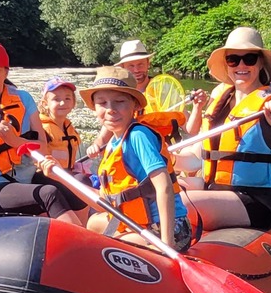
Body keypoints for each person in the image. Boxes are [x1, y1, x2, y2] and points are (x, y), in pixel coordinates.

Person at [183, 27, 271, 231]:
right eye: (233, 59)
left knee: (178, 204)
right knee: (158, 192)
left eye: (249, 59)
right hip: (215, 187)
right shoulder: (220, 102)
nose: (241, 65)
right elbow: (197, 156)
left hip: (254, 200)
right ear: (226, 64)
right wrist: (166, 160)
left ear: (260, 62)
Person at [0, 40, 80, 220]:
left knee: (78, 183)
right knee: (49, 193)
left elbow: (42, 148)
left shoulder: (23, 99)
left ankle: (92, 239)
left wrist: (14, 141)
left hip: (29, 178)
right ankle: (79, 244)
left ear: (5, 72)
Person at [79, 66, 194, 251]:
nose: (110, 110)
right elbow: (106, 199)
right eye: (102, 103)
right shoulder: (114, 141)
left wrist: (166, 244)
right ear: (94, 107)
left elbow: (164, 187)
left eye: (119, 102)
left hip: (167, 230)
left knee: (104, 250)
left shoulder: (138, 136)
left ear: (136, 106)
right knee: (93, 222)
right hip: (136, 223)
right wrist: (56, 176)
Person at [35, 76, 89, 180]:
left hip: (66, 172)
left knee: (83, 178)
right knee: (82, 180)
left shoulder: (69, 127)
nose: (63, 103)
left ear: (73, 103)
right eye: (56, 99)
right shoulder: (41, 128)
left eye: (67, 98)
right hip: (46, 175)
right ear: (45, 104)